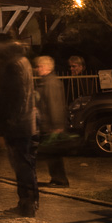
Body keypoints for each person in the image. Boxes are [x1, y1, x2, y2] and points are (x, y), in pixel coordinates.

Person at [0, 40, 39, 216]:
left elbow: (16, 96)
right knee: (26, 164)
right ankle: (30, 202)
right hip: (25, 123)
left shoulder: (13, 66)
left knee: (21, 165)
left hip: (18, 125)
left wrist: (10, 121)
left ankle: (27, 203)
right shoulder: (23, 62)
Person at [33, 55, 70, 188]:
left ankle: (60, 180)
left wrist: (56, 125)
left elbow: (54, 104)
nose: (37, 69)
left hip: (51, 125)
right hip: (48, 124)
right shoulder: (46, 82)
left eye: (39, 66)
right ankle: (57, 178)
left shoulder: (50, 83)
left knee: (53, 154)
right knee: (52, 154)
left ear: (47, 67)